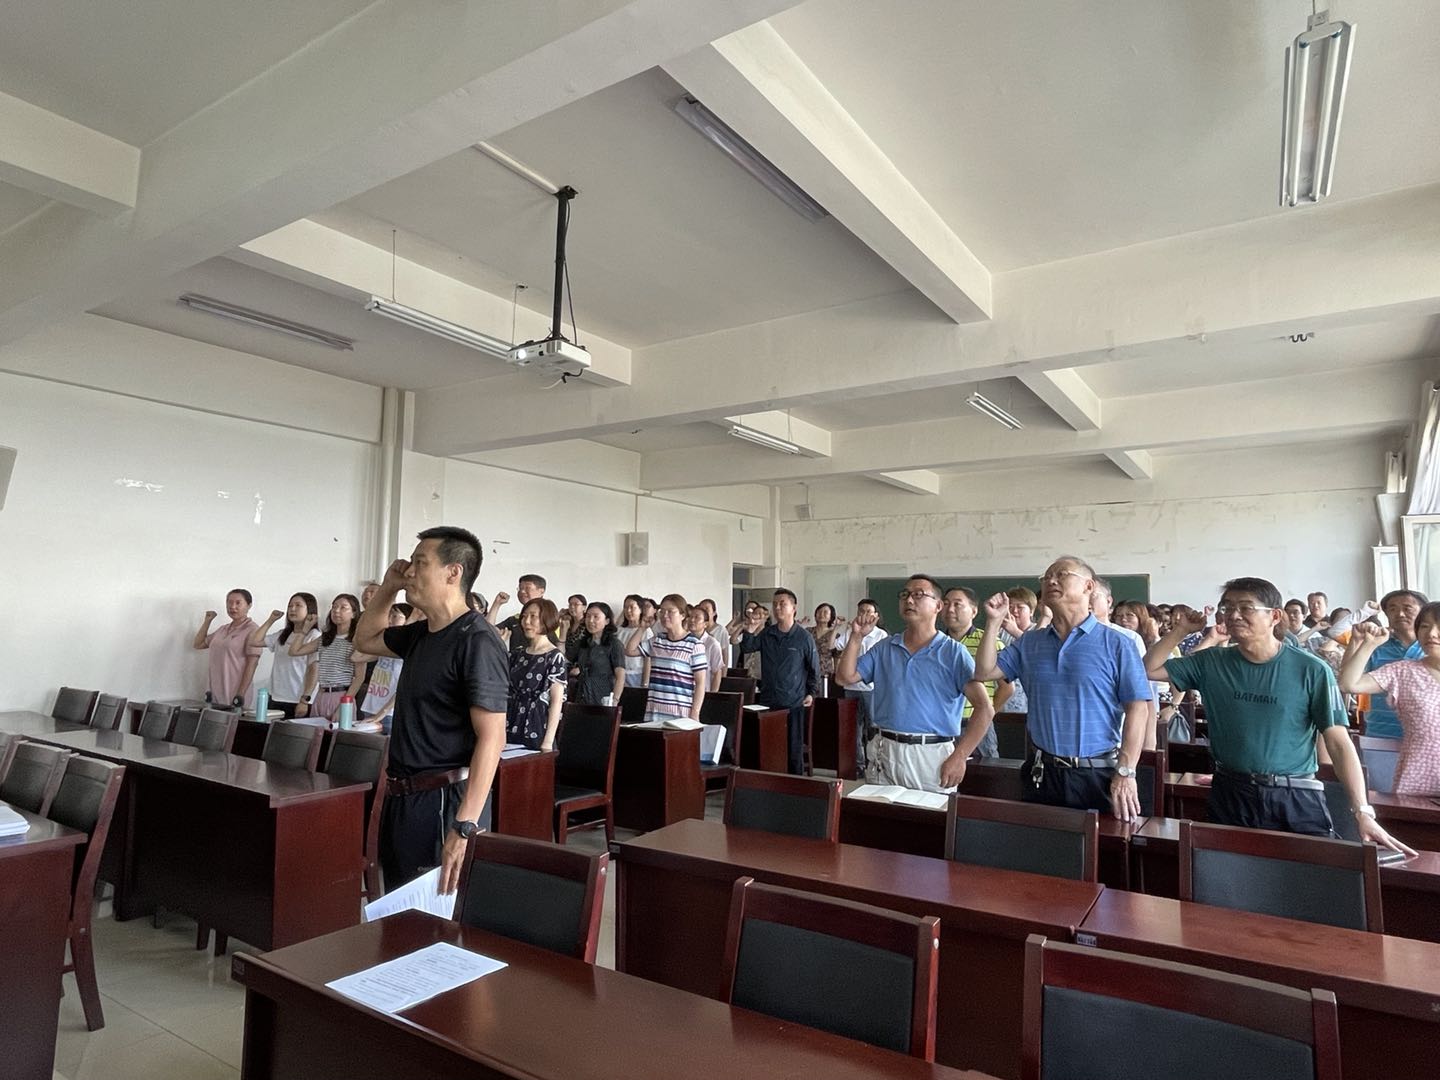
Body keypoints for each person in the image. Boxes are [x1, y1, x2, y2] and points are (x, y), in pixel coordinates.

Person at [1144, 579, 1411, 853]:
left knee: (1305, 871)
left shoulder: (1311, 669)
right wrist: (1180, 631)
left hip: (1294, 793)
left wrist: (1363, 811)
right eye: (1227, 608)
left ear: (1274, 616)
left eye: (1246, 608)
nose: (1234, 615)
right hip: (1230, 791)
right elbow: (1150, 669)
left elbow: (1339, 743)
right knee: (1229, 871)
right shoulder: (1210, 662)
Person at [352, 526, 509, 893]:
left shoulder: (477, 641)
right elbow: (365, 639)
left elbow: (493, 738)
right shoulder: (422, 634)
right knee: (401, 906)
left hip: (444, 801)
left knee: (437, 914)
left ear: (453, 572)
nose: (410, 571)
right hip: (404, 797)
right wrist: (389, 588)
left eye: (420, 563)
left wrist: (464, 826)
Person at [973, 557, 1151, 819]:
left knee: (1100, 843)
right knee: (1040, 841)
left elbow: (1138, 709)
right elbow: (984, 672)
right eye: (1046, 578)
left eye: (1062, 574)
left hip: (1097, 773)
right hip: (1041, 771)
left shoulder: (1117, 644)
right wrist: (992, 623)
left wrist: (1126, 771)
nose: (1051, 581)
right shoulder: (1030, 643)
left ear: (1088, 587)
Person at [835, 575, 993, 793]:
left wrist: (960, 756)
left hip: (931, 755)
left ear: (938, 606)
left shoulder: (953, 653)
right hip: (884, 749)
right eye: (905, 595)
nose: (909, 600)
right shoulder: (885, 647)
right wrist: (856, 637)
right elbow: (844, 677)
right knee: (879, 813)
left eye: (918, 595)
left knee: (929, 814)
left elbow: (984, 708)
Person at [1341, 610, 1440, 794]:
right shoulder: (1403, 671)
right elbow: (1349, 684)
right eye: (1425, 626)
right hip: (1417, 783)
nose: (1431, 633)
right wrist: (1368, 645)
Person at [733, 589, 821, 775]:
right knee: (769, 747)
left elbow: (814, 669)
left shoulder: (803, 637)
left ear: (793, 608)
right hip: (768, 701)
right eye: (775, 604)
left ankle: (795, 784)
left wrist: (811, 693)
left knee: (793, 749)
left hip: (793, 702)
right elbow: (748, 647)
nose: (777, 607)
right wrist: (750, 629)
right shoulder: (767, 633)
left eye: (782, 604)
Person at [940, 586, 1012, 758]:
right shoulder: (935, 643)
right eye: (946, 604)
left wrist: (986, 714)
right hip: (941, 726)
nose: (950, 609)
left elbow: (1007, 688)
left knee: (983, 772)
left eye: (957, 604)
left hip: (975, 725)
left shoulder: (989, 642)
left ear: (974, 611)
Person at [1091, 578, 1159, 750]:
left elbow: (1145, 692)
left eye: (1094, 595)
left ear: (1109, 601)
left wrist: (1149, 741)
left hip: (1121, 733)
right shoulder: (1069, 637)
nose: (1088, 601)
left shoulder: (1128, 638)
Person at [1355, 589, 1427, 739]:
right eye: (1393, 609)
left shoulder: (1432, 647)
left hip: (1427, 738)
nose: (1400, 614)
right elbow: (1351, 682)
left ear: (1423, 613)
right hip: (1382, 733)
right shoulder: (1374, 645)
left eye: (1407, 608)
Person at [625, 593, 707, 724]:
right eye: (662, 611)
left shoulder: (694, 645)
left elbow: (700, 683)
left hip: (680, 714)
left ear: (682, 615)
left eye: (670, 611)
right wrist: (642, 628)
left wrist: (695, 712)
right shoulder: (657, 640)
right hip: (654, 712)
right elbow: (630, 650)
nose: (665, 615)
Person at [504, 598, 568, 751]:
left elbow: (556, 702)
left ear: (547, 619)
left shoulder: (554, 657)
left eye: (533, 616)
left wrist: (548, 742)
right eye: (524, 616)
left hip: (536, 726)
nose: (526, 621)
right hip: (510, 722)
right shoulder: (517, 654)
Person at [289, 594, 365, 720]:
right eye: (334, 607)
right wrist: (305, 629)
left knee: (338, 732)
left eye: (343, 607)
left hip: (342, 695)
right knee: (317, 732)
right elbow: (294, 651)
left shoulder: (356, 641)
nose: (336, 611)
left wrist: (344, 705)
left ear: (354, 613)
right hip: (321, 694)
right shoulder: (325, 638)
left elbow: (359, 678)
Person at [832, 598, 888, 769]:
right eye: (861, 611)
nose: (864, 614)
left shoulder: (881, 635)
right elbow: (834, 646)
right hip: (851, 687)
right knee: (853, 727)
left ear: (876, 615)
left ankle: (874, 763)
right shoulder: (851, 631)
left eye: (868, 611)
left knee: (873, 727)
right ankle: (858, 764)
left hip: (871, 689)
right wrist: (840, 628)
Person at [248, 592, 319, 718]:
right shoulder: (283, 634)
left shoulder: (314, 636)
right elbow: (254, 641)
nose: (292, 609)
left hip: (298, 699)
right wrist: (271, 620)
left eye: (298, 605)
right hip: (275, 697)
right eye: (290, 606)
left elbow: (314, 670)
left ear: (310, 610)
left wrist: (305, 700)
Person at [192, 589, 263, 708]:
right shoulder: (223, 629)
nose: (233, 607)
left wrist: (240, 694)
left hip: (235, 693)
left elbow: (252, 664)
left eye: (238, 603)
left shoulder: (253, 630)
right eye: (229, 602)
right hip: (214, 692)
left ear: (249, 605)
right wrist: (207, 621)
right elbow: (198, 644)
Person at [358, 603, 416, 732]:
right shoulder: (384, 646)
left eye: (395, 616)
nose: (389, 620)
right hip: (370, 707)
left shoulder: (411, 648)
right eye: (388, 616)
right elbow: (356, 657)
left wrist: (382, 713)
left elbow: (404, 687)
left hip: (390, 713)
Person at [570, 601, 626, 706]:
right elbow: (565, 660)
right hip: (581, 698)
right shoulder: (582, 643)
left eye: (596, 617)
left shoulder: (614, 644)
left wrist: (614, 701)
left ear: (607, 621)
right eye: (588, 616)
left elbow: (620, 677)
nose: (591, 621)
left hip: (603, 698)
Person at [489, 573, 548, 654]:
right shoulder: (515, 619)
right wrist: (497, 604)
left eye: (528, 588)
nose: (522, 591)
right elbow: (487, 630)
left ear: (541, 591)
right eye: (520, 588)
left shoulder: (551, 618)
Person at [616, 594, 652, 688]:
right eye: (625, 607)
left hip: (637, 675)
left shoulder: (646, 631)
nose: (628, 611)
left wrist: (645, 682)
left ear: (640, 610)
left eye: (632, 607)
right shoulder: (619, 630)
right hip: (619, 675)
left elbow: (648, 659)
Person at [687, 606, 726, 691]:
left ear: (705, 624)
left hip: (703, 691)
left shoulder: (712, 644)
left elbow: (717, 672)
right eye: (690, 616)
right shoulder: (684, 641)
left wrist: (712, 695)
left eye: (697, 617)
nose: (692, 620)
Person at [809, 603, 842, 687]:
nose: (821, 614)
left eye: (825, 612)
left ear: (831, 616)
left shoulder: (835, 635)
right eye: (819, 611)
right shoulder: (808, 632)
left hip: (826, 674)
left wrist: (836, 674)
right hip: (808, 672)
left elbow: (837, 656)